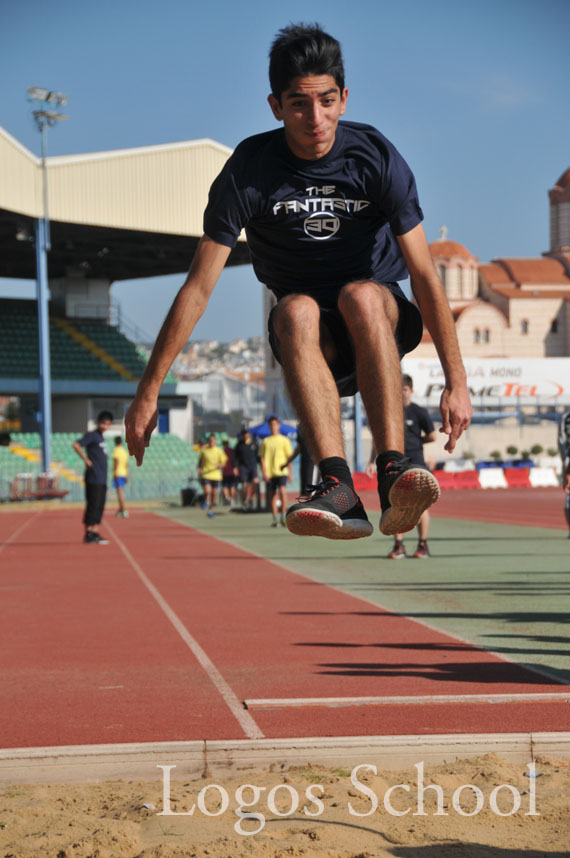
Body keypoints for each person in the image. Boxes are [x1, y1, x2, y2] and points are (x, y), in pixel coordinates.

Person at [125, 24, 471, 542]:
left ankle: (393, 467)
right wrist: (148, 392)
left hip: (380, 318)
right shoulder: (250, 170)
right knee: (294, 310)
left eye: (327, 101)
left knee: (359, 294)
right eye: (299, 105)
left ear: (344, 97)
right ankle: (336, 486)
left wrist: (456, 380)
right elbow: (198, 288)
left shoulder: (374, 155)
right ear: (275, 106)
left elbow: (423, 273)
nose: (316, 119)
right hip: (313, 343)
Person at [367, 374, 436, 558]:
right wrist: (371, 461)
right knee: (396, 504)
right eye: (399, 390)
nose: (402, 393)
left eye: (405, 390)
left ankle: (423, 545)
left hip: (416, 462)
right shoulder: (390, 413)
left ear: (411, 391)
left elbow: (432, 436)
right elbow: (378, 438)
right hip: (395, 462)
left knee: (421, 506)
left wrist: (415, 442)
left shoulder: (420, 412)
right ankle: (399, 546)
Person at [72, 410, 113, 544]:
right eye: (103, 423)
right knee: (93, 505)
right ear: (98, 423)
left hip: (102, 478)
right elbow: (76, 445)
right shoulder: (92, 435)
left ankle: (95, 531)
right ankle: (88, 532)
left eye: (107, 424)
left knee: (99, 506)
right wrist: (86, 460)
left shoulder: (101, 438)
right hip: (93, 477)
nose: (104, 426)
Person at [258, 416, 293, 526]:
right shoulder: (265, 441)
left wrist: (291, 473)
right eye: (271, 425)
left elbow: (289, 457)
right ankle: (275, 518)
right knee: (273, 495)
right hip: (270, 473)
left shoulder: (284, 440)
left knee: (283, 491)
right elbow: (262, 458)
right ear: (269, 426)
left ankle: (283, 516)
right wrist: (264, 472)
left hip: (282, 472)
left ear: (278, 425)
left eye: (275, 424)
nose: (273, 426)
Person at [197, 434, 227, 512]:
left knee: (214, 493)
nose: (212, 442)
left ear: (215, 441)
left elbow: (224, 463)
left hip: (216, 475)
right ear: (208, 441)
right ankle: (207, 501)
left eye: (213, 440)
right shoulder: (204, 450)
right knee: (208, 491)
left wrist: (220, 465)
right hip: (206, 474)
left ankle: (210, 506)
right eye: (210, 440)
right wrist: (199, 469)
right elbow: (200, 461)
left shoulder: (219, 451)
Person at [234, 429, 260, 508]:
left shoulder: (254, 444)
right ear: (242, 436)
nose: (246, 436)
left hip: (253, 466)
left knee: (255, 482)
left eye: (247, 434)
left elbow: (259, 456)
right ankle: (244, 502)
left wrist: (261, 467)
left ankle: (251, 498)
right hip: (243, 467)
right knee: (244, 485)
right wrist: (235, 467)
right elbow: (235, 457)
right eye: (244, 435)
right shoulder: (239, 445)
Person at [112, 435, 129, 518]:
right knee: (121, 492)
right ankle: (121, 510)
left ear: (115, 442)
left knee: (119, 493)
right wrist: (127, 475)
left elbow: (116, 462)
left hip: (118, 473)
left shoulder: (116, 450)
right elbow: (126, 464)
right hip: (123, 473)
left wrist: (115, 472)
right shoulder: (124, 451)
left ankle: (124, 510)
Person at [220, 436, 239, 506]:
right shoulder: (232, 451)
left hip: (225, 471)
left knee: (225, 486)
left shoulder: (221, 452)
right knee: (232, 486)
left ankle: (227, 498)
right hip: (232, 471)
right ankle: (232, 499)